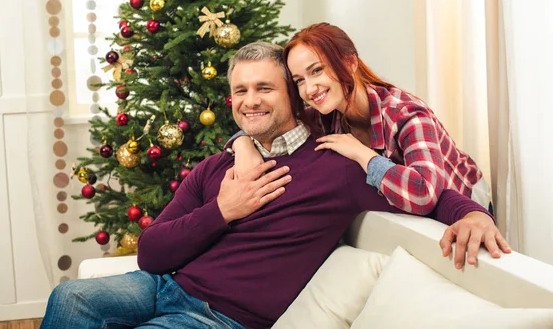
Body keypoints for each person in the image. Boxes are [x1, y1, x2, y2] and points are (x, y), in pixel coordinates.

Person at [41, 42, 510, 329]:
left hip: (219, 317)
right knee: (69, 297)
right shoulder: (219, 166)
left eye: (265, 88)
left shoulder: (337, 163)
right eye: (241, 91)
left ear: (293, 95)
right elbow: (152, 252)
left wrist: (473, 213)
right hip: (162, 285)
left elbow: (428, 194)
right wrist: (223, 209)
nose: (251, 101)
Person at [230, 23, 493, 217]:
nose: (309, 89)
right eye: (300, 80)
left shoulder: (407, 115)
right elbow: (272, 122)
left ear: (349, 62)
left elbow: (424, 194)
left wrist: (363, 155)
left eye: (317, 70)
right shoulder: (324, 117)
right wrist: (243, 145)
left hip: (467, 200)